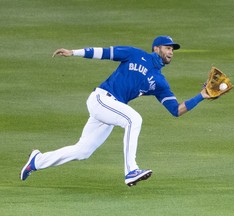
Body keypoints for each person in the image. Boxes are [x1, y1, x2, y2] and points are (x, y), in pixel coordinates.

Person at [20, 36, 211, 186]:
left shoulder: (160, 82)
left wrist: (201, 96)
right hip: (101, 99)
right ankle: (131, 170)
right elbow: (103, 52)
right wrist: (73, 52)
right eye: (168, 47)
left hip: (110, 109)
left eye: (172, 49)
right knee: (133, 119)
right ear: (156, 48)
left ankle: (37, 161)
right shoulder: (135, 54)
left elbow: (176, 110)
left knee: (82, 151)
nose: (171, 52)